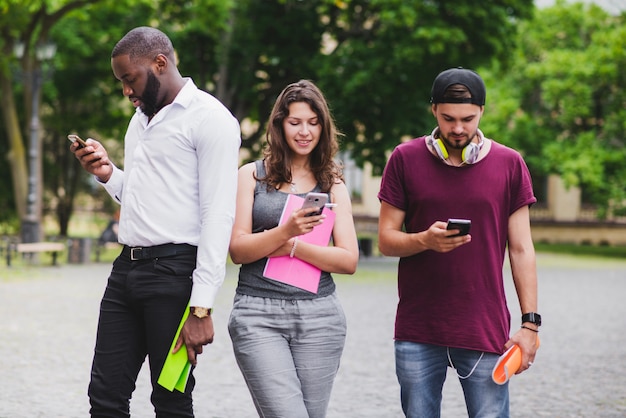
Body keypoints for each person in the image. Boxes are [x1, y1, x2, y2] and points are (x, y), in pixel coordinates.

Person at [71, 26, 240, 417]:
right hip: (125, 272)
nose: (126, 91)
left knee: (170, 400)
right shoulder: (140, 121)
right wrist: (109, 173)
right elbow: (145, 197)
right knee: (105, 398)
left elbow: (218, 216)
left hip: (175, 276)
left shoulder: (211, 120)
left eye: (130, 79)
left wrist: (201, 308)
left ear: (160, 63)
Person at [377, 68, 540, 418]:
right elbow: (386, 241)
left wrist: (530, 325)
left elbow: (522, 249)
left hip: (484, 328)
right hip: (418, 328)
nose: (458, 128)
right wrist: (424, 240)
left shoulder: (509, 164)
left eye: (468, 118)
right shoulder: (404, 159)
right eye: (448, 118)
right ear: (433, 110)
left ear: (482, 111)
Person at [228, 79, 359, 418]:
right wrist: (285, 229)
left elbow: (347, 260)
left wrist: (290, 246)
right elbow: (239, 251)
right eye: (295, 122)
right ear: (279, 125)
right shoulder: (251, 176)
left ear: (323, 127)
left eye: (313, 123)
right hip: (257, 314)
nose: (304, 131)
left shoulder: (333, 184)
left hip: (320, 316)